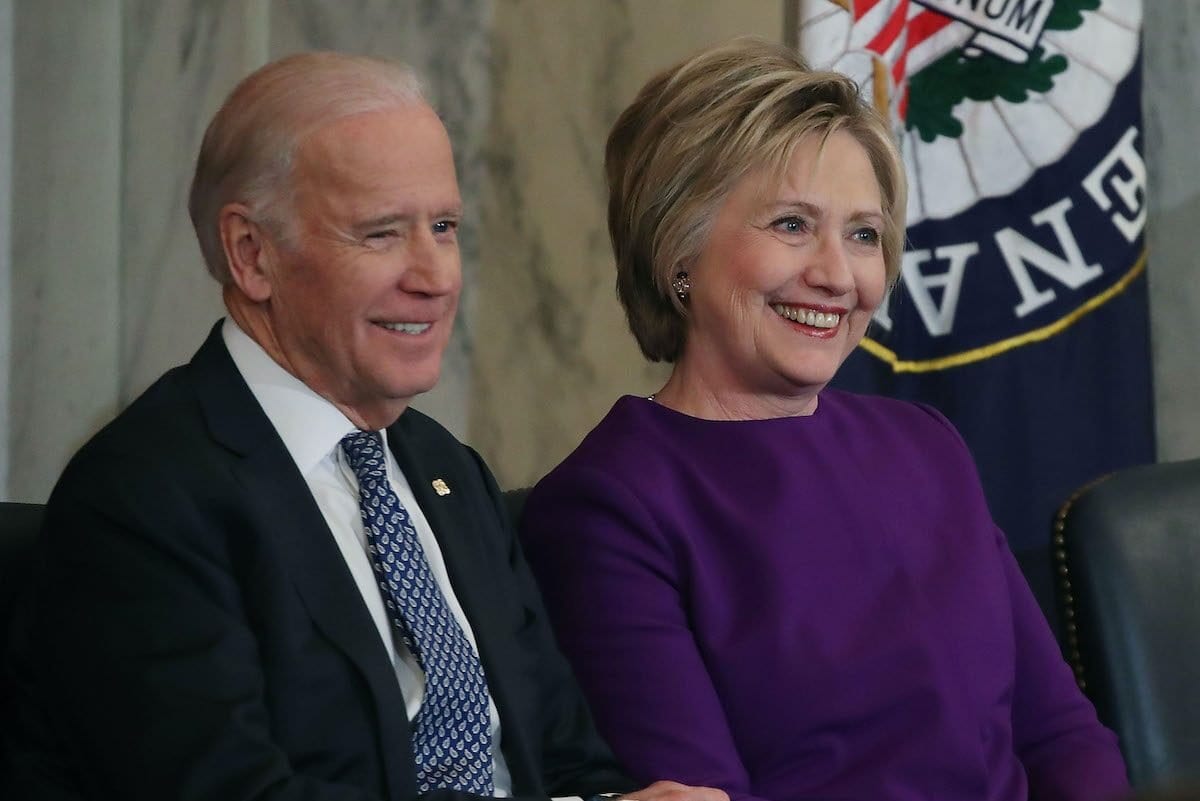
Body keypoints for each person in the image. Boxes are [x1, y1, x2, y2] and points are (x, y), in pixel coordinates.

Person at [2, 51, 728, 801]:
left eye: (443, 226)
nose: (437, 275)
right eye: (383, 233)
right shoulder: (146, 496)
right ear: (252, 255)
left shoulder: (448, 471)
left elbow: (564, 756)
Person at [519, 37, 1131, 801]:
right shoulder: (605, 508)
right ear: (679, 247)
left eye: (864, 235)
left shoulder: (925, 444)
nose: (838, 276)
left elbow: (1061, 736)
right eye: (791, 225)